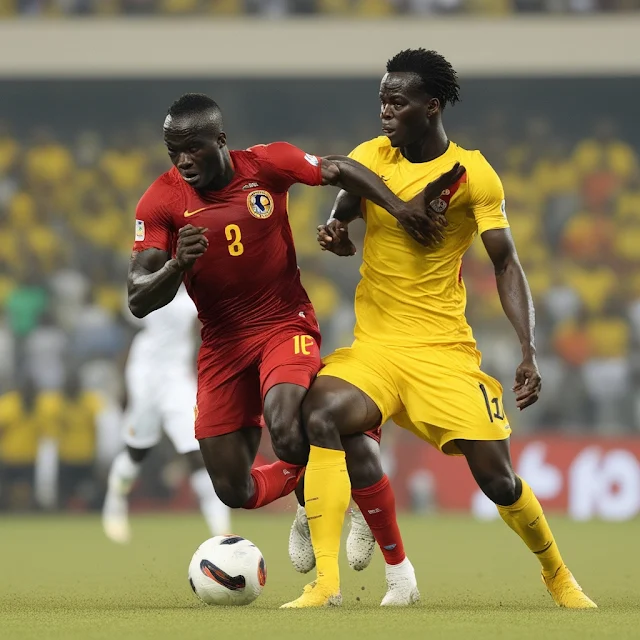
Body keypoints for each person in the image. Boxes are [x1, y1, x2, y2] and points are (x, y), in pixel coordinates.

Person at [282, 49, 597, 610]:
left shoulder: (473, 175)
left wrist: (528, 350)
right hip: (376, 349)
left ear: (430, 106)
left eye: (396, 101)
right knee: (320, 414)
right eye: (381, 100)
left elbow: (506, 262)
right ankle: (325, 584)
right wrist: (335, 233)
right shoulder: (370, 156)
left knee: (499, 481)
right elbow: (342, 210)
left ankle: (558, 576)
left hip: (442, 353)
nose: (384, 110)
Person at [127, 94, 445, 539]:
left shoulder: (267, 164)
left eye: (193, 148)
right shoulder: (160, 201)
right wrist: (176, 265)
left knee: (286, 431)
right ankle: (317, 483)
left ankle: (340, 496)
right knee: (232, 489)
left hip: (283, 322)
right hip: (222, 344)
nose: (183, 161)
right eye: (173, 152)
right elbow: (137, 298)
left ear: (220, 140)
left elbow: (341, 169)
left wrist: (399, 207)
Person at [102, 286, 231, 543]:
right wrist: (124, 384)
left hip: (176, 379)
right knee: (136, 451)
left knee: (198, 451)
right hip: (145, 377)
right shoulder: (148, 288)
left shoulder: (192, 297)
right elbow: (129, 325)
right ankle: (114, 503)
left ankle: (222, 532)